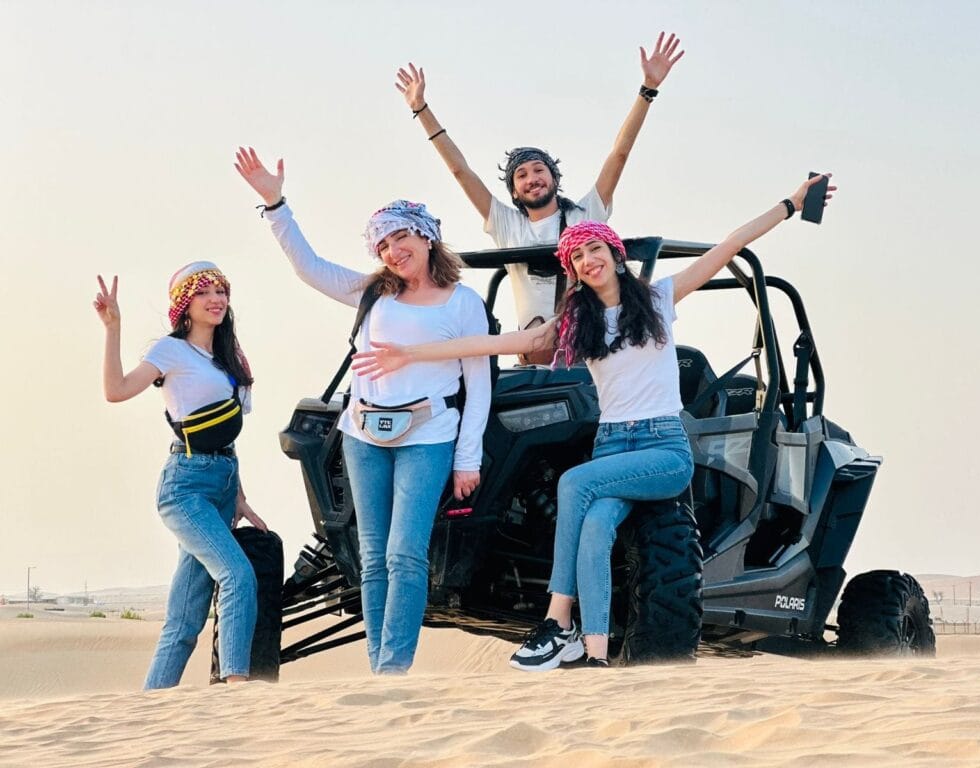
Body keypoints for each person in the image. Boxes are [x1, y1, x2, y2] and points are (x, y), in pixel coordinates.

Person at [352, 174, 837, 669]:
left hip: (663, 448)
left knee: (574, 485)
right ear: (574, 272)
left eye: (594, 249)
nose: (588, 260)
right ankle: (596, 654)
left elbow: (731, 244)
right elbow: (489, 345)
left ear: (614, 253)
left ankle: (557, 622)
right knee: (594, 529)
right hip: (611, 447)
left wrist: (791, 204)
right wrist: (410, 354)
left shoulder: (658, 299)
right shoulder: (576, 324)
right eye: (577, 258)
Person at [233, 146, 492, 674]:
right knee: (372, 558)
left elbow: (478, 384)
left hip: (430, 432)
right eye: (384, 243)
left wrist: (469, 458)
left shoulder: (463, 302)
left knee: (405, 553)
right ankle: (380, 672)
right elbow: (309, 268)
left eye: (402, 236)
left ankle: (394, 668)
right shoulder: (375, 293)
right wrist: (275, 204)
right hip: (363, 432)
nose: (394, 250)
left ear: (426, 235)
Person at [395, 31, 685, 332]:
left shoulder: (584, 216)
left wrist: (647, 90)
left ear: (554, 177)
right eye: (521, 176)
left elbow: (619, 154)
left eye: (538, 170)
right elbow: (460, 171)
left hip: (590, 344)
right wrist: (421, 109)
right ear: (515, 192)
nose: (532, 179)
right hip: (536, 352)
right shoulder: (508, 226)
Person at [93, 262, 266, 689]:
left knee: (186, 618)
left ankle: (150, 709)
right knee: (237, 576)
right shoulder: (171, 352)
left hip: (223, 482)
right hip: (185, 486)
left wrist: (240, 497)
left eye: (221, 291)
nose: (216, 299)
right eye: (204, 292)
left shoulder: (230, 359)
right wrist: (113, 328)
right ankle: (237, 689)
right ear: (184, 306)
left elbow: (227, 433)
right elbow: (115, 391)